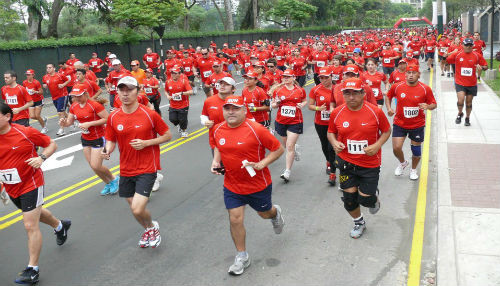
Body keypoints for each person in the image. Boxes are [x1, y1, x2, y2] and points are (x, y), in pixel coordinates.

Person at [211, 95, 285, 276]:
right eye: (227, 108)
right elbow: (218, 146)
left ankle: (275, 213)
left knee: (264, 213)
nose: (231, 112)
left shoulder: (256, 129)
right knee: (235, 218)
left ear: (244, 110)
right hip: (232, 184)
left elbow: (278, 149)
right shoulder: (218, 129)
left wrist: (263, 163)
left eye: (235, 108)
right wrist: (215, 162)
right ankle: (242, 256)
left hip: (258, 184)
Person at [0, 102, 71, 284]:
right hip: (11, 186)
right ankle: (60, 226)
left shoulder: (24, 132)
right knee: (35, 215)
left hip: (31, 183)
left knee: (29, 225)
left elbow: (51, 144)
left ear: (7, 116)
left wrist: (42, 158)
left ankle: (32, 269)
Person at [102, 76, 172, 248]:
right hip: (126, 168)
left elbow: (167, 135)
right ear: (117, 92)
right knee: (133, 207)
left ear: (137, 91)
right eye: (122, 90)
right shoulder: (114, 117)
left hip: (147, 167)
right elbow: (111, 139)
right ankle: (148, 229)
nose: (125, 94)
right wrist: (107, 150)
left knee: (138, 209)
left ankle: (153, 227)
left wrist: (146, 143)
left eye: (129, 90)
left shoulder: (149, 114)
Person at [327, 78, 391, 239]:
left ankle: (373, 198)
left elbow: (386, 131)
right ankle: (359, 222)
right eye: (347, 93)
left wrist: (377, 146)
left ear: (363, 94)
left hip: (369, 163)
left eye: (355, 93)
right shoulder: (337, 112)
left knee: (365, 200)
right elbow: (330, 132)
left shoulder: (375, 112)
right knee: (349, 199)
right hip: (346, 162)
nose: (351, 97)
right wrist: (335, 143)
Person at [59, 83, 119, 195]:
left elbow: (107, 119)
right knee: (93, 166)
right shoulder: (74, 106)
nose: (76, 98)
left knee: (96, 165)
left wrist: (90, 123)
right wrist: (63, 123)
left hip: (98, 137)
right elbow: (69, 122)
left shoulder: (94, 105)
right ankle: (107, 183)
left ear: (85, 94)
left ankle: (114, 178)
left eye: (79, 96)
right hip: (85, 138)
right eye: (75, 96)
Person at [386, 65, 437, 180]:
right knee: (396, 148)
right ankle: (403, 163)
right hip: (400, 123)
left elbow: (434, 104)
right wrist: (389, 108)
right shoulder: (397, 86)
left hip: (417, 124)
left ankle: (413, 170)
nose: (410, 75)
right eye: (408, 73)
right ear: (405, 75)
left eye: (413, 73)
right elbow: (388, 97)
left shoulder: (425, 89)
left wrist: (428, 106)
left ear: (418, 74)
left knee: (416, 151)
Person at [271, 69, 307, 182]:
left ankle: (287, 172)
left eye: (288, 76)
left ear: (293, 77)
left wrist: (302, 104)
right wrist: (275, 104)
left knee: (289, 146)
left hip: (295, 121)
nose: (286, 78)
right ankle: (294, 148)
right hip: (281, 121)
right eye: (284, 77)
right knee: (287, 145)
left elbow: (305, 101)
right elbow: (273, 105)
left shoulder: (300, 90)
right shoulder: (278, 91)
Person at [446, 38, 488, 126]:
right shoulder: (457, 55)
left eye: (470, 45)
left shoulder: (477, 55)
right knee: (460, 100)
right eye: (466, 45)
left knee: (469, 103)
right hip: (460, 82)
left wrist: (482, 68)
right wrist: (447, 55)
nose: (468, 47)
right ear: (462, 45)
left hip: (471, 83)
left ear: (472, 46)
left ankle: (467, 118)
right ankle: (460, 113)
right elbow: (447, 60)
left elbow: (485, 66)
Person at [308, 67, 336, 185]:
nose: (323, 80)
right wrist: (319, 108)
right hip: (321, 123)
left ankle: (333, 174)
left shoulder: (337, 89)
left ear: (331, 76)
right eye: (321, 78)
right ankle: (329, 162)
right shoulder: (315, 90)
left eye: (326, 77)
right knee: (325, 145)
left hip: (334, 123)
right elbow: (310, 106)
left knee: (332, 147)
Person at [43, 63, 71, 136]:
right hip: (54, 97)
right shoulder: (45, 77)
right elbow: (44, 84)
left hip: (63, 95)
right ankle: (72, 121)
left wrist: (63, 85)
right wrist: (45, 86)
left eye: (50, 67)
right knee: (63, 112)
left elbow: (68, 80)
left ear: (54, 68)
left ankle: (62, 129)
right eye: (47, 68)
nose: (48, 69)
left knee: (60, 112)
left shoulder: (59, 75)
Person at [165, 66, 193, 138]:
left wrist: (181, 93)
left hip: (183, 105)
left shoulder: (184, 81)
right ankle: (179, 126)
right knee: (172, 119)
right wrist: (168, 96)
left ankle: (183, 130)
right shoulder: (168, 82)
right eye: (172, 73)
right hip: (173, 105)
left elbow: (190, 91)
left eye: (175, 73)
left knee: (182, 119)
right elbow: (166, 91)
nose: (173, 74)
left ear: (179, 74)